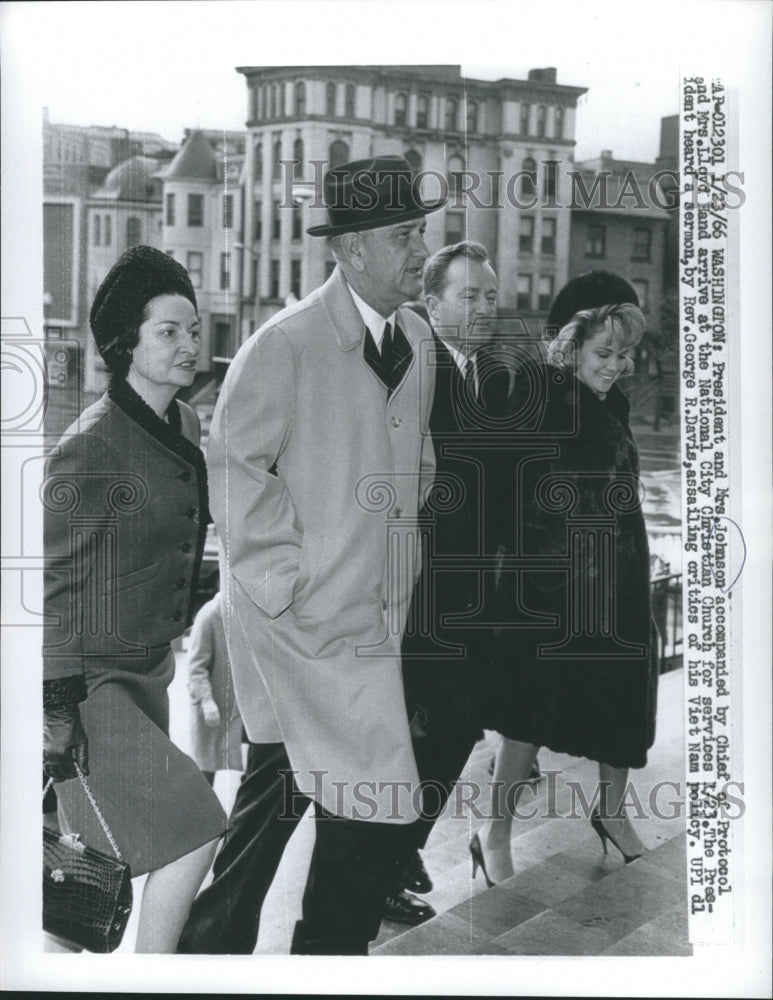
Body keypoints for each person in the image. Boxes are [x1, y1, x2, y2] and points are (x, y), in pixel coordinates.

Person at [179, 155, 441, 955]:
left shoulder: (419, 340)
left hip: (369, 628)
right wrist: (288, 583)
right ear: (351, 249)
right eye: (403, 235)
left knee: (340, 823)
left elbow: (418, 458)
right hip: (298, 637)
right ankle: (254, 963)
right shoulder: (283, 345)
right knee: (343, 817)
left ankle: (303, 961)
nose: (419, 250)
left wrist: (397, 551)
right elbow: (231, 466)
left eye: (419, 232)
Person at [42, 246, 226, 952]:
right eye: (168, 332)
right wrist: (59, 720)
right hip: (86, 687)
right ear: (125, 344)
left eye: (192, 329)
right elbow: (48, 587)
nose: (188, 346)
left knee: (87, 870)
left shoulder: (182, 423)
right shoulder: (87, 448)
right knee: (194, 829)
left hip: (147, 673)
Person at [472, 271, 658, 884]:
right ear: (568, 346)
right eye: (604, 354)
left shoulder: (607, 400)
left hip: (619, 584)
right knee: (527, 715)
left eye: (624, 355)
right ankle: (492, 832)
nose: (617, 366)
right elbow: (513, 502)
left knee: (625, 704)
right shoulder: (543, 402)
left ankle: (610, 813)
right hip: (553, 592)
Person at [186, 592, 243, 785]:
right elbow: (195, 668)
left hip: (239, 709)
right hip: (214, 704)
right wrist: (206, 700)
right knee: (205, 768)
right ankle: (201, 813)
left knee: (254, 761)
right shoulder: (210, 615)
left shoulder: (243, 614)